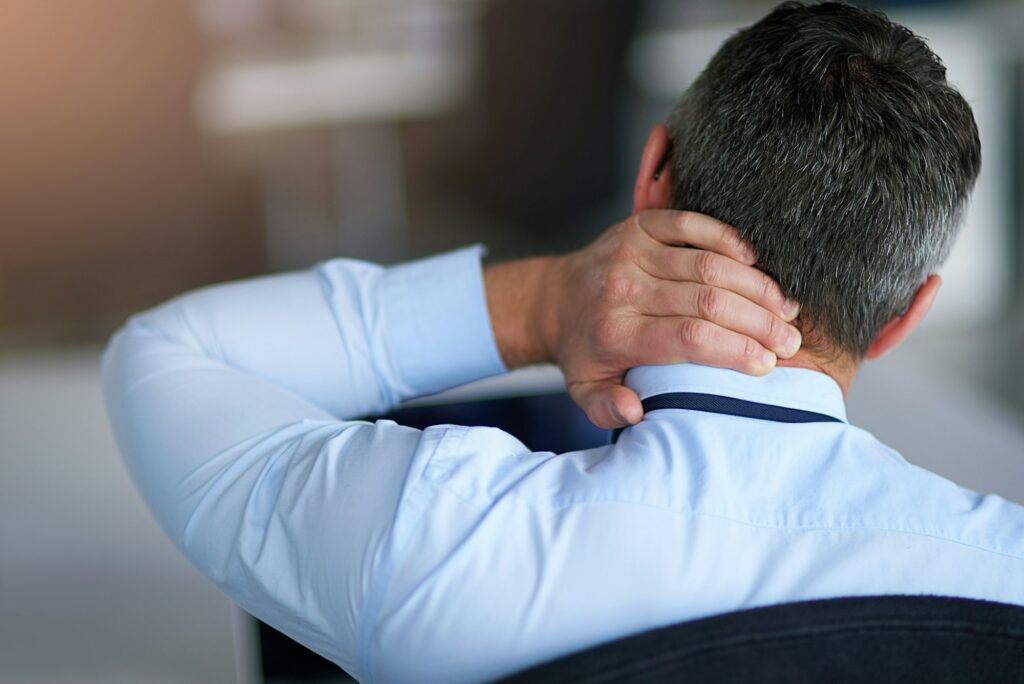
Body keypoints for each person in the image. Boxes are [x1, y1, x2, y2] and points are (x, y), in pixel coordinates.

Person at [102, 2, 1024, 682]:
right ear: (909, 313)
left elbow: (166, 357)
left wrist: (542, 303)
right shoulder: (1003, 578)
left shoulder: (437, 538)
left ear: (651, 177)